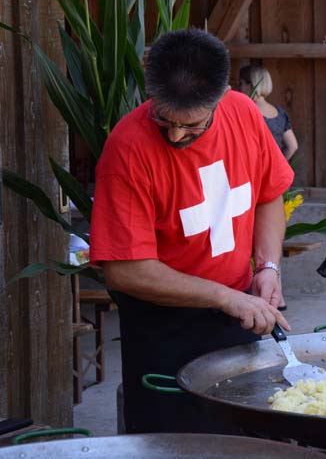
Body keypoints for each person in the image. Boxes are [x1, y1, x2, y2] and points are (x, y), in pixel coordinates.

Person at [90, 28, 294, 434]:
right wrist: (225, 297)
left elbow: (269, 195)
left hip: (239, 318)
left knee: (242, 438)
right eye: (164, 120)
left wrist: (268, 267)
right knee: (170, 443)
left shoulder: (244, 113)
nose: (176, 135)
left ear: (221, 97)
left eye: (193, 126)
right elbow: (125, 270)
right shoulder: (127, 147)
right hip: (163, 328)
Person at [239, 65, 299, 161]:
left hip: (252, 168)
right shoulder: (280, 113)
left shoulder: (246, 112)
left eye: (241, 83)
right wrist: (278, 165)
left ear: (251, 85)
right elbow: (293, 146)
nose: (239, 88)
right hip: (272, 168)